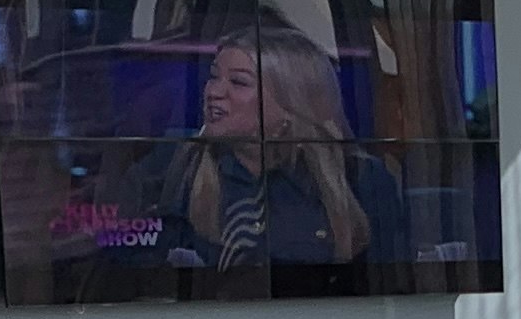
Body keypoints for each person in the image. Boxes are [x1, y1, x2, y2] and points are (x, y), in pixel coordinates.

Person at [159, 26, 395, 273]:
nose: (213, 92)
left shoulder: (361, 177)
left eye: (238, 82)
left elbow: (391, 282)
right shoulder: (182, 166)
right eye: (214, 76)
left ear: (292, 102)